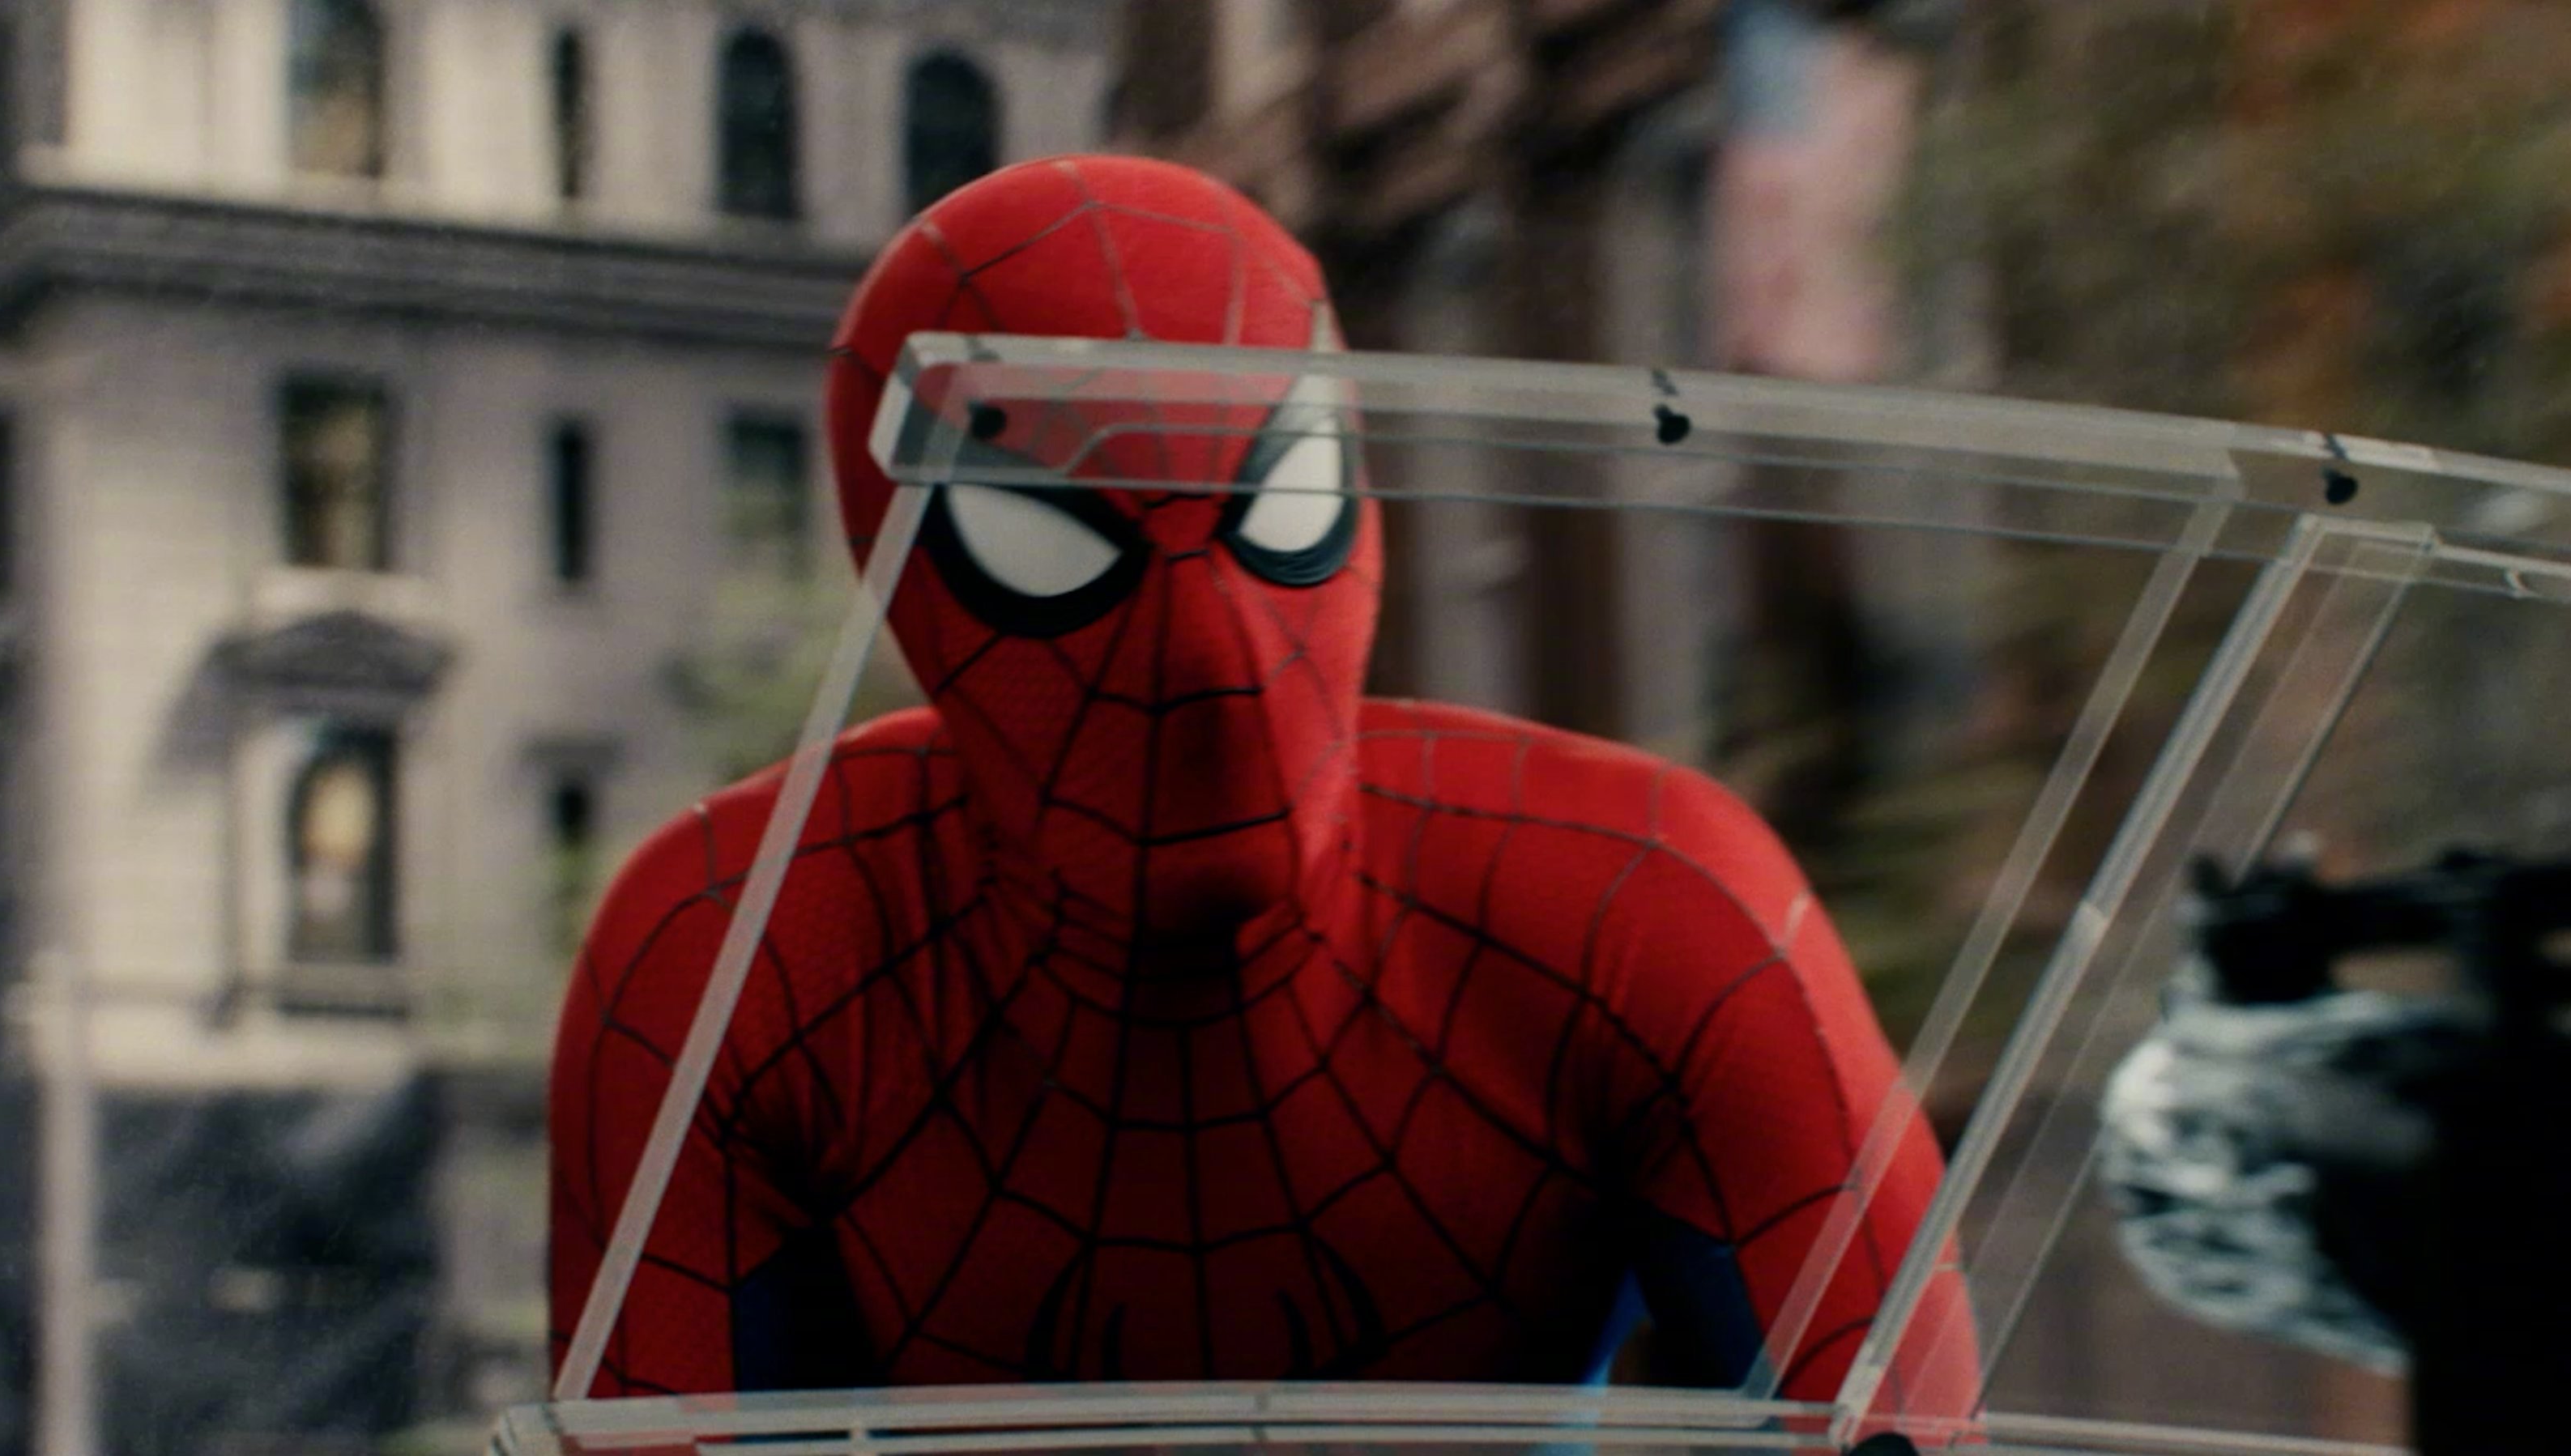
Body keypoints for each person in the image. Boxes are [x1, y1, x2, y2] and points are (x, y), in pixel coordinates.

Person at [548, 155, 1975, 1411]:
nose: (1209, 658)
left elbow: (1900, 1418)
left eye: (1276, 504)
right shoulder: (738, 958)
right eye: (1051, 538)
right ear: (902, 573)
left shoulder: (1658, 911)